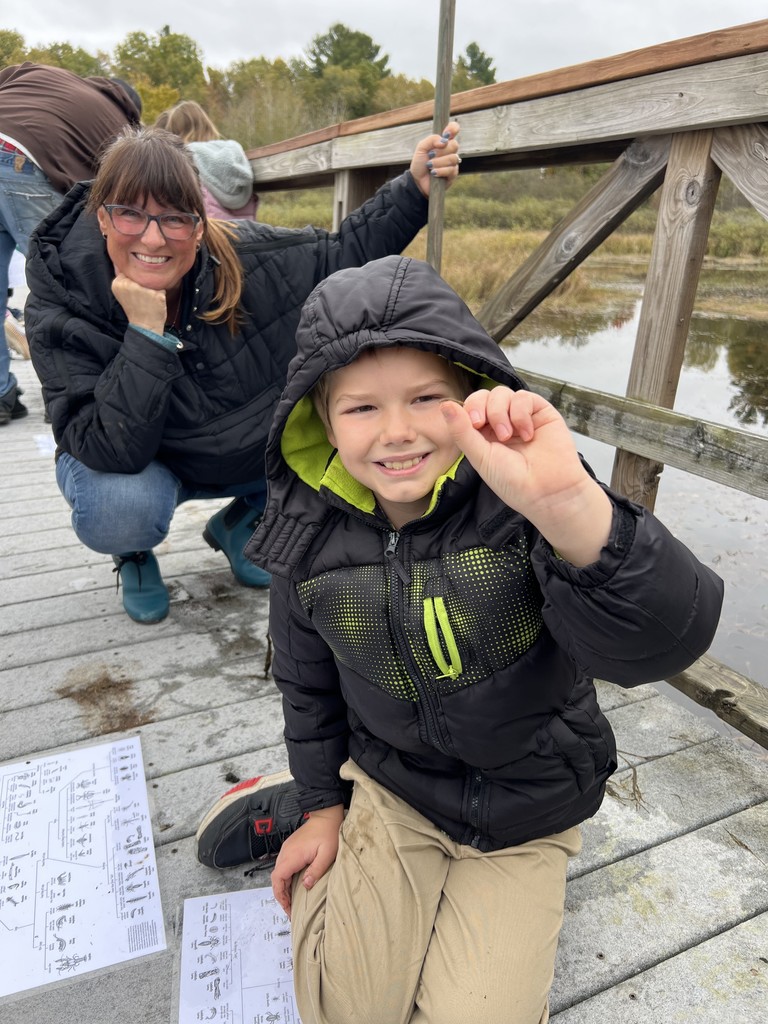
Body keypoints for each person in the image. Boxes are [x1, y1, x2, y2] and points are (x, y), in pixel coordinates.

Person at [194, 255, 724, 1024]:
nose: (397, 431)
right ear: (318, 417)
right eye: (362, 408)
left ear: (472, 397)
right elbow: (307, 688)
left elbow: (660, 640)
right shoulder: (307, 538)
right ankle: (300, 807)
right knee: (349, 1011)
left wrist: (571, 507)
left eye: (426, 398)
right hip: (391, 788)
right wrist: (322, 808)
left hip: (527, 813)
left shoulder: (525, 507)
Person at [25, 124, 461, 624]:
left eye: (175, 219)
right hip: (143, 463)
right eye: (130, 214)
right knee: (119, 507)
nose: (153, 237)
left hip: (238, 453)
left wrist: (412, 189)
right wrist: (145, 333)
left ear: (199, 225)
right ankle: (134, 553)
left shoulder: (245, 254)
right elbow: (106, 446)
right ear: (102, 217)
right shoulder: (61, 299)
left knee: (343, 422)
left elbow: (342, 254)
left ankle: (243, 520)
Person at [0, 61, 142, 424]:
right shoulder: (120, 124)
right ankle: (68, 393)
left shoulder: (42, 74)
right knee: (64, 280)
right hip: (25, 164)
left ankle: (1, 395)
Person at [155, 100, 259, 220]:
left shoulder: (183, 158)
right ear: (208, 125)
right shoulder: (233, 152)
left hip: (210, 233)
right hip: (247, 231)